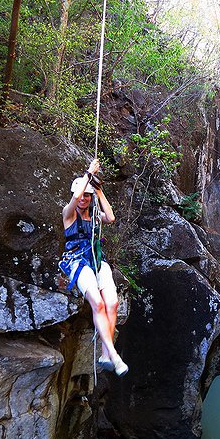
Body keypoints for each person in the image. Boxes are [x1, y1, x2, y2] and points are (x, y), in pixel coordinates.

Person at [59, 158, 128, 376]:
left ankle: (105, 355)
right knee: (97, 304)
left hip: (97, 261)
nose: (83, 200)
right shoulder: (68, 214)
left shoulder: (95, 216)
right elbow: (75, 198)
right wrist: (88, 173)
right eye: (83, 195)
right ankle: (113, 355)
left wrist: (98, 191)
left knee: (113, 303)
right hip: (77, 262)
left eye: (87, 196)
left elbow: (111, 217)